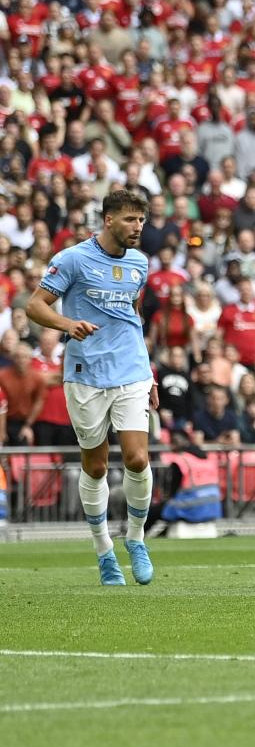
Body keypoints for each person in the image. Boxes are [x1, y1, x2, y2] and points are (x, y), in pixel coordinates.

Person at [26, 190, 158, 586]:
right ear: (108, 220)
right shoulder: (72, 259)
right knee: (96, 465)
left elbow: (131, 316)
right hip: (85, 374)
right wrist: (68, 326)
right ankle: (104, 551)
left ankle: (135, 540)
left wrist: (148, 370)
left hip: (131, 371)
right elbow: (35, 305)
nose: (138, 227)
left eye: (141, 220)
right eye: (131, 219)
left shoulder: (140, 263)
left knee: (137, 459)